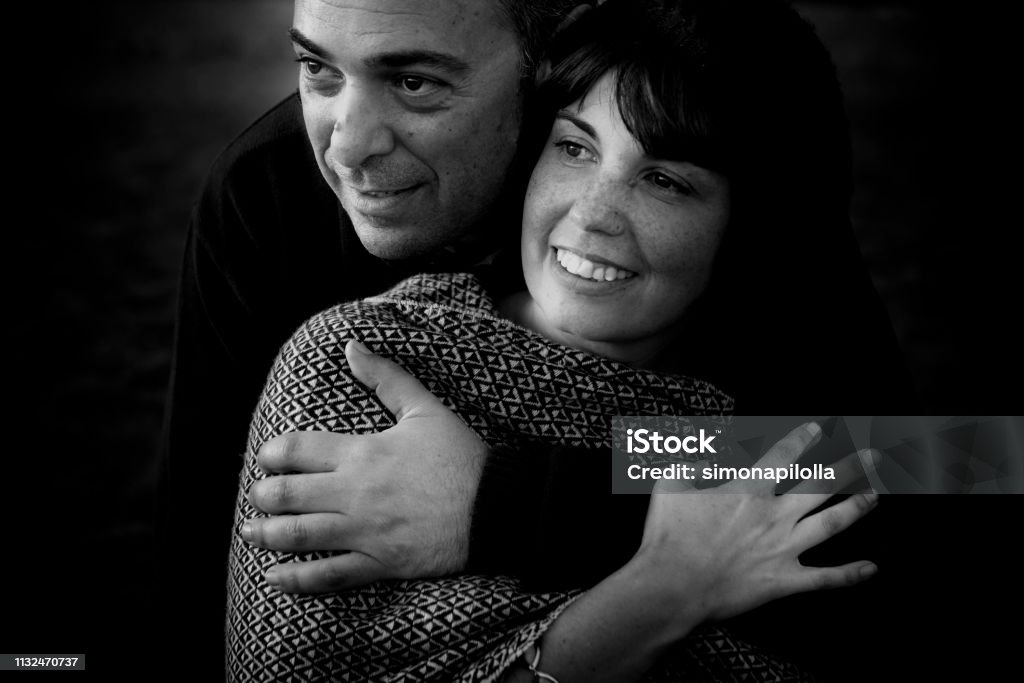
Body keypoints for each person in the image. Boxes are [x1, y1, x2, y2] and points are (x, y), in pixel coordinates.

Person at [158, 0, 910, 673]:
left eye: (417, 80)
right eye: (318, 68)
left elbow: (916, 471)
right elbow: (203, 550)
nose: (347, 148)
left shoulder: (699, 118)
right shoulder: (271, 199)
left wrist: (501, 499)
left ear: (539, 73)